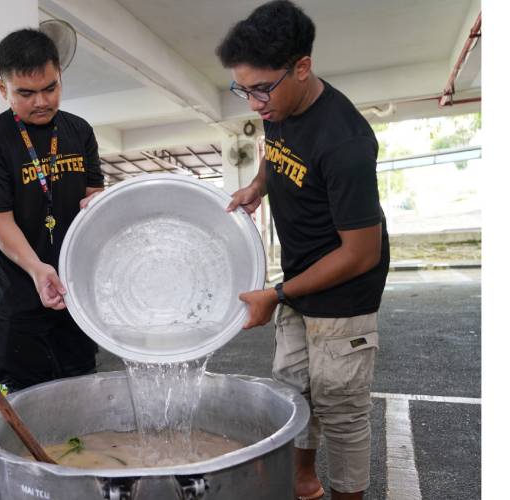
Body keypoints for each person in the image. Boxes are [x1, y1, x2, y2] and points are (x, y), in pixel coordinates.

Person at [216, 2, 390, 499]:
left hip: (344, 294)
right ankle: (304, 482)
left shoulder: (346, 142)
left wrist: (277, 294)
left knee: (341, 409)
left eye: (261, 89)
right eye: (243, 89)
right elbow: (278, 153)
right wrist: (256, 186)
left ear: (302, 67)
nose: (253, 104)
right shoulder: (280, 107)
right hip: (297, 282)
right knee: (294, 393)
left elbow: (362, 253)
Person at [0, 28, 104, 393]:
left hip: (75, 296)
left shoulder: (79, 131)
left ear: (59, 76)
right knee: (30, 408)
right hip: (19, 302)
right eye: (25, 93)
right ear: (2, 89)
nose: (41, 101)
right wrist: (38, 270)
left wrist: (101, 207)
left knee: (81, 396)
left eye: (50, 88)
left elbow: (93, 195)